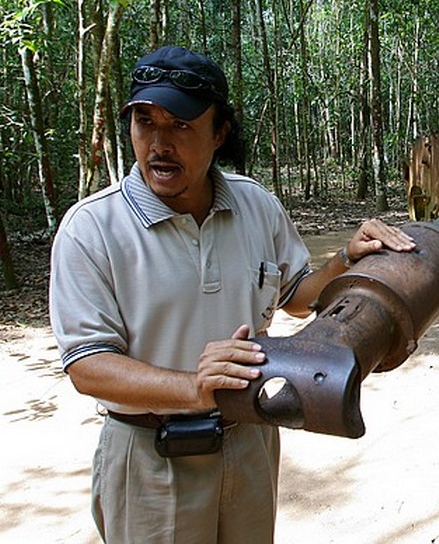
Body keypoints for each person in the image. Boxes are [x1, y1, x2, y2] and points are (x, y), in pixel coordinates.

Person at [48, 45, 415, 543]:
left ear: (219, 132)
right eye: (144, 123)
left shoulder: (254, 204)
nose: (158, 143)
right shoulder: (91, 229)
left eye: (179, 125)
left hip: (249, 443)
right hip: (151, 460)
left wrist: (347, 260)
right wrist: (193, 387)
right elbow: (87, 365)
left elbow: (297, 295)